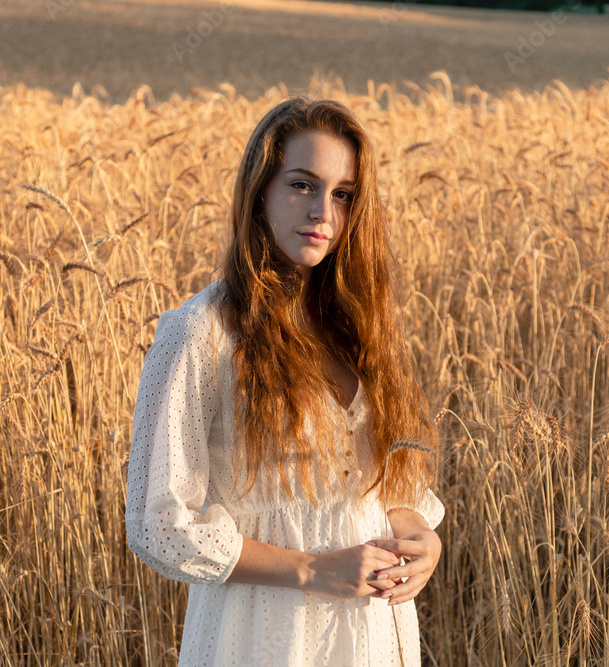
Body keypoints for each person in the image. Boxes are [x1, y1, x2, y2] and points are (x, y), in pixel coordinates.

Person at [125, 96, 444, 666]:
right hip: (264, 634)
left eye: (343, 194)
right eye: (302, 184)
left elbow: (384, 486)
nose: (323, 211)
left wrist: (420, 536)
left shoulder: (359, 330)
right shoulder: (200, 334)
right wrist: (315, 570)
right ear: (260, 191)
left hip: (371, 633)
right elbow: (160, 526)